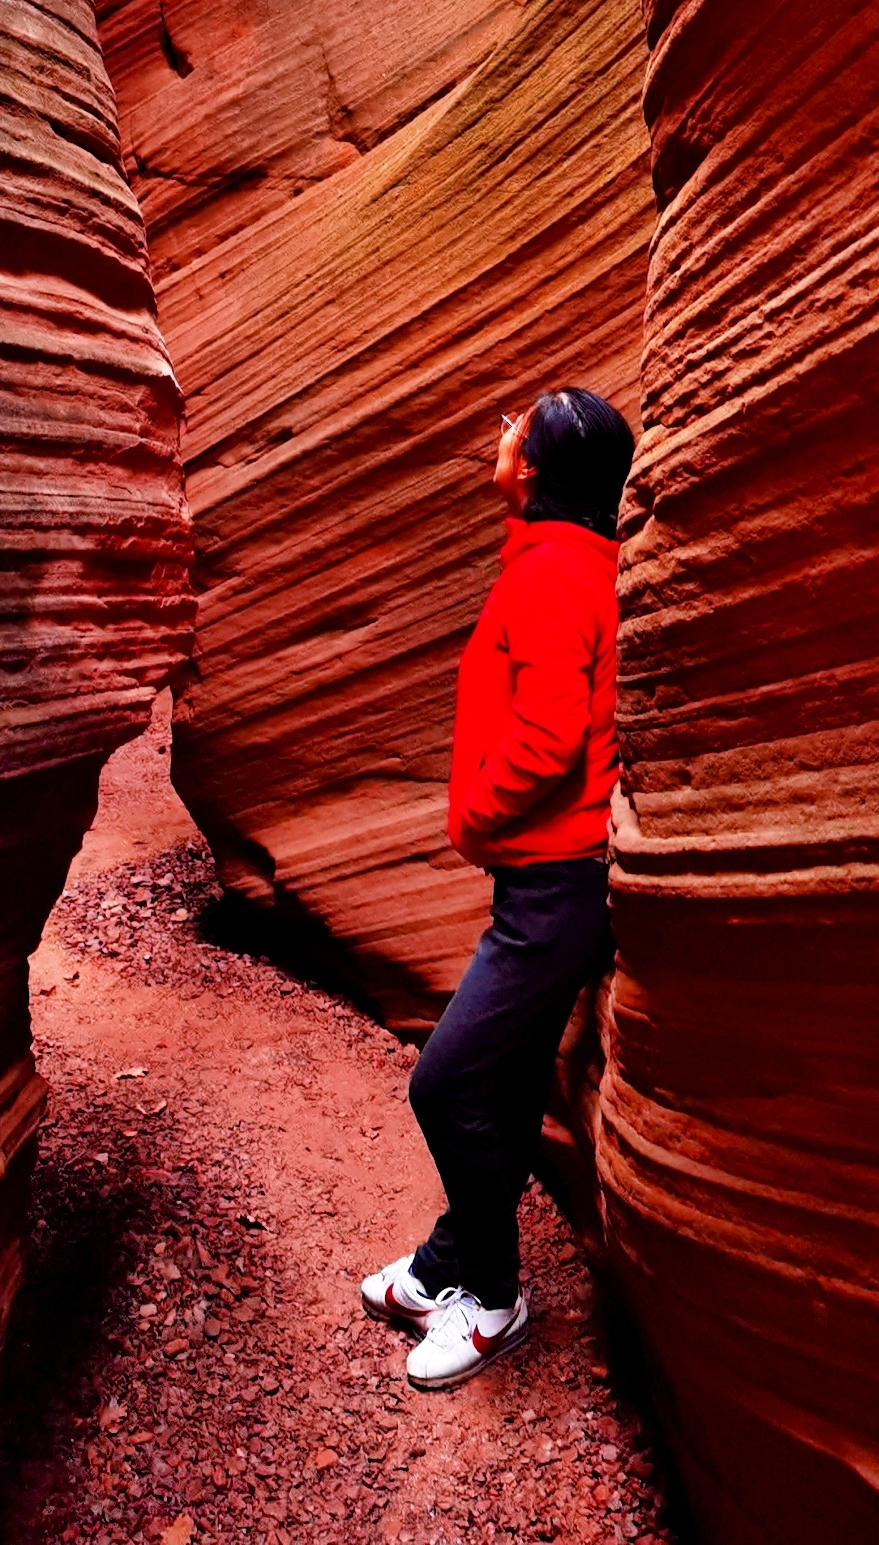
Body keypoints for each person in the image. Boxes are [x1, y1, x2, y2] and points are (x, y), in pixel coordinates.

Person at [361, 385, 634, 1392]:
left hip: (552, 886)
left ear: (535, 467)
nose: (497, 432)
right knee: (508, 1086)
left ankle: (491, 1297)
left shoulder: (555, 574)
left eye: (515, 423)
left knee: (446, 1085)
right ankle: (444, 1267)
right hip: (547, 881)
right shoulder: (561, 562)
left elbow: (552, 733)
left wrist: (475, 812)